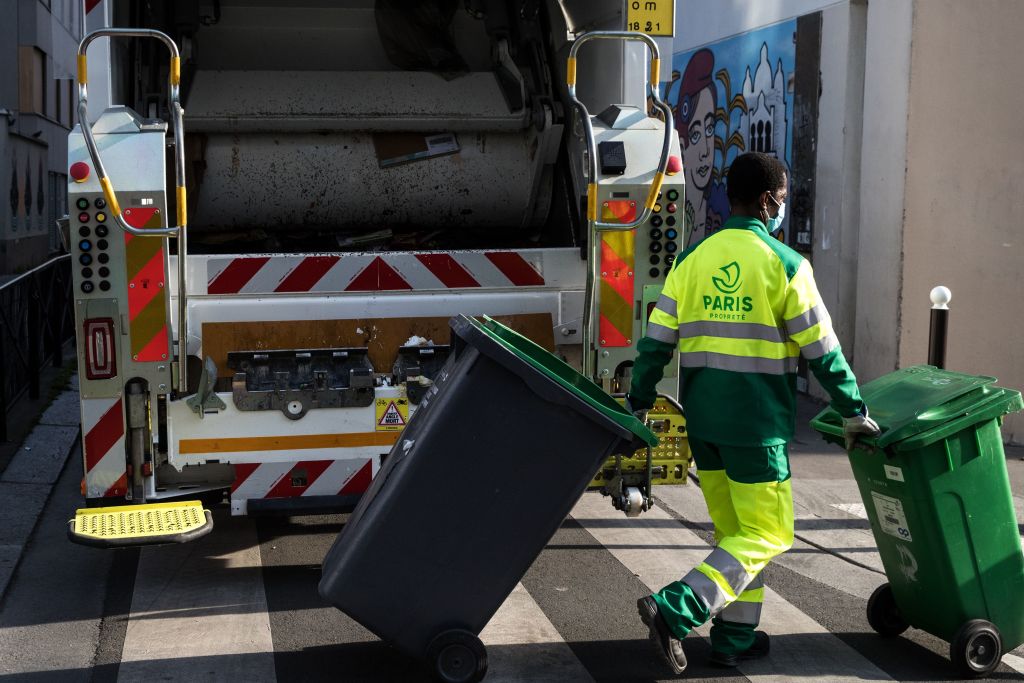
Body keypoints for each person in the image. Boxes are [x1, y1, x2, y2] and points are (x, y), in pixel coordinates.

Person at [626, 152, 880, 673]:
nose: (782, 208)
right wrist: (853, 411)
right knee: (768, 535)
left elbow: (655, 344)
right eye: (782, 199)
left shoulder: (691, 261)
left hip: (705, 427)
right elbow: (823, 352)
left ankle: (734, 637)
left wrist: (640, 400)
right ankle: (676, 608)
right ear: (767, 202)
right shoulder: (786, 265)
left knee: (738, 538)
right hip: (757, 429)